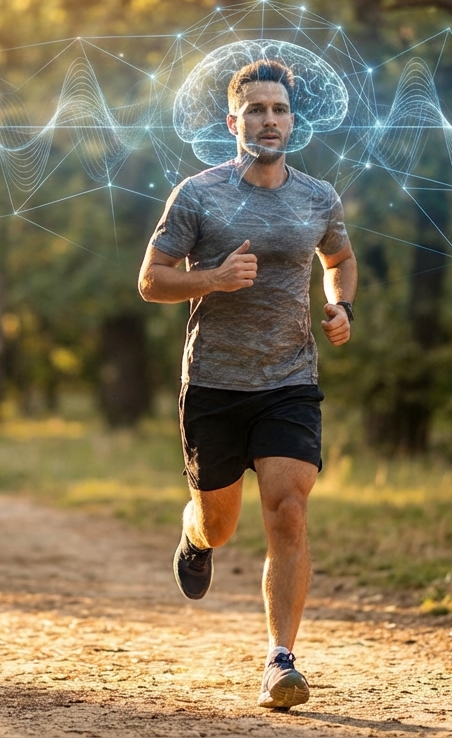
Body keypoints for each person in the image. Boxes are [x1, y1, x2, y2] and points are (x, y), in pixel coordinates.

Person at [137, 58, 357, 710]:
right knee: (221, 523)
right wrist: (210, 279)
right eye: (256, 110)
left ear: (294, 122)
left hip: (289, 378)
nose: (269, 120)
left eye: (279, 110)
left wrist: (341, 306)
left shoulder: (319, 196)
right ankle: (194, 532)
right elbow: (151, 280)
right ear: (233, 121)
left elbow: (338, 259)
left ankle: (280, 661)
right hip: (213, 381)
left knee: (288, 510)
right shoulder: (198, 194)